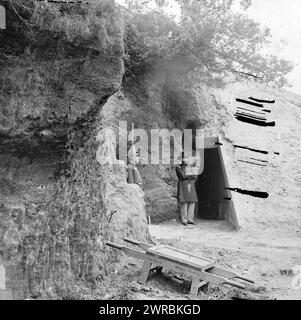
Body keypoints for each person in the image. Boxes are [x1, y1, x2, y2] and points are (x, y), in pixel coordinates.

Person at [176, 158, 198, 226]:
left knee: (192, 201)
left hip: (190, 184)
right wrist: (190, 176)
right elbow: (183, 176)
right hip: (183, 185)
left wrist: (188, 176)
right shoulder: (178, 168)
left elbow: (195, 176)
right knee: (184, 202)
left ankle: (190, 219)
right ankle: (184, 220)